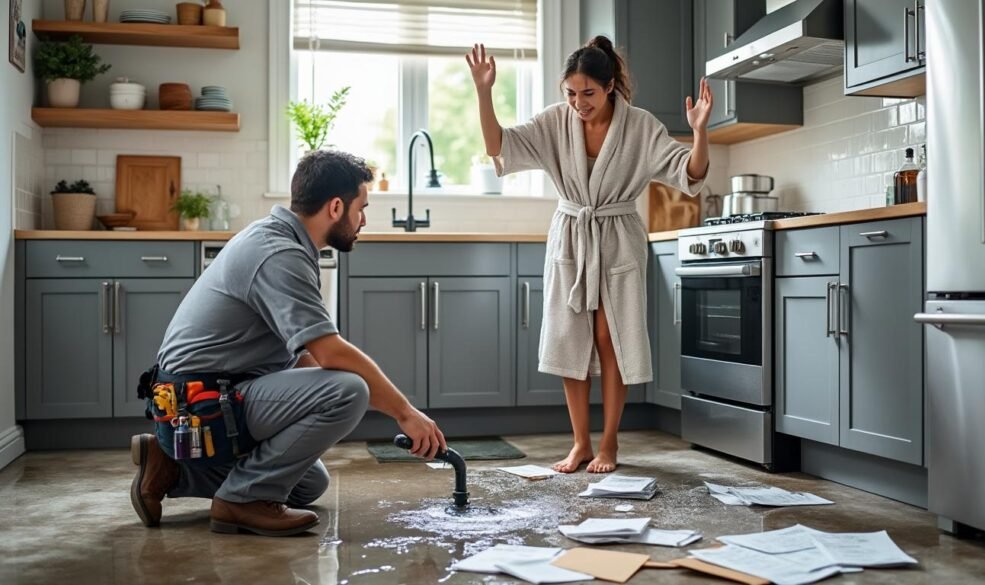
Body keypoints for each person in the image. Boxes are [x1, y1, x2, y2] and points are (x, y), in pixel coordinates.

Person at [129, 150, 448, 536]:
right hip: (201, 403)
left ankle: (172, 470)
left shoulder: (281, 240)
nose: (364, 219)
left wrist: (319, 392)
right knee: (348, 391)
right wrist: (404, 412)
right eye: (361, 207)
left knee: (308, 483)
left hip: (202, 402)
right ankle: (240, 501)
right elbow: (330, 352)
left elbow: (305, 358)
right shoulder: (280, 253)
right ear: (335, 207)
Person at [466, 36, 711, 474]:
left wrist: (699, 132)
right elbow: (498, 146)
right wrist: (484, 92)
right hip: (572, 235)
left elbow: (689, 173)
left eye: (589, 94)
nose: (579, 103)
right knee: (570, 339)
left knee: (610, 337)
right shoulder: (554, 123)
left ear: (611, 85)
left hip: (618, 236)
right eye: (571, 94)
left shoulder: (640, 126)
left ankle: (610, 444)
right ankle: (580, 443)